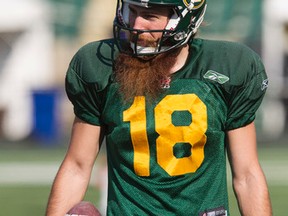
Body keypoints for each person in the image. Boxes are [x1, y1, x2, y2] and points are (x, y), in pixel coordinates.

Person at [46, 0, 272, 215]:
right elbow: (77, 166)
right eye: (131, 11)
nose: (136, 25)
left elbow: (246, 174)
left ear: (186, 19)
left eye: (149, 16)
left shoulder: (229, 68)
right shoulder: (101, 67)